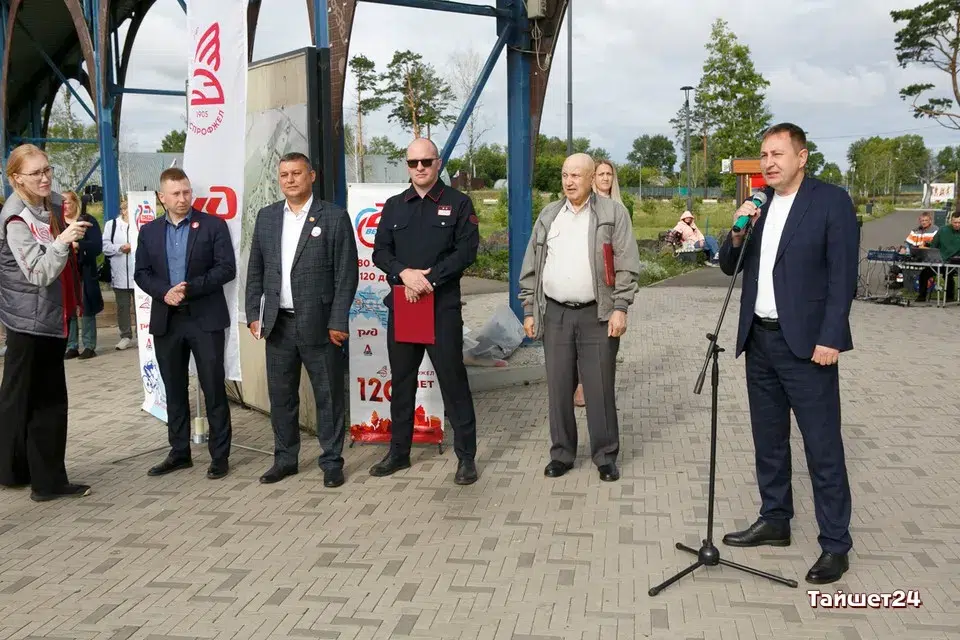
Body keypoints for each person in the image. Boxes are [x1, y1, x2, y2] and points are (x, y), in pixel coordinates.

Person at [718, 123, 858, 585]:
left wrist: (831, 337)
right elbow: (729, 267)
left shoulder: (830, 201)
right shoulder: (758, 206)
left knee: (822, 446)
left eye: (777, 154)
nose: (769, 162)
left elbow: (842, 276)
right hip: (758, 341)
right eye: (764, 155)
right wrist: (736, 232)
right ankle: (775, 519)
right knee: (769, 439)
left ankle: (835, 544)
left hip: (809, 346)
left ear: (802, 157)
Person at [518, 153, 641, 483]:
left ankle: (605, 456)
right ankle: (561, 454)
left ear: (591, 178)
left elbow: (627, 263)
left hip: (597, 315)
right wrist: (529, 309)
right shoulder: (549, 214)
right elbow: (531, 265)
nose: (569, 182)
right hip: (556, 313)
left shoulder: (613, 213)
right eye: (564, 175)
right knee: (559, 388)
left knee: (599, 388)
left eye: (575, 175)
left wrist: (620, 307)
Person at [370, 137, 481, 485]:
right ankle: (398, 453)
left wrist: (429, 280)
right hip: (404, 306)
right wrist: (404, 274)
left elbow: (466, 252)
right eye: (413, 162)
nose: (419, 168)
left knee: (453, 383)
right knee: (402, 383)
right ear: (407, 165)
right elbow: (380, 251)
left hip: (441, 309)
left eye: (426, 161)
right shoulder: (394, 206)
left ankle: (466, 458)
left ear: (438, 163)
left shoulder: (459, 203)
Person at [245, 152, 359, 486]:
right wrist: (253, 313)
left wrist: (338, 321)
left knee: (328, 396)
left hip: (321, 325)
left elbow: (346, 274)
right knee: (282, 398)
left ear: (312, 176)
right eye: (284, 174)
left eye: (296, 173)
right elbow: (256, 269)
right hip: (277, 324)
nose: (290, 180)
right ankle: (285, 459)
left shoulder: (334, 217)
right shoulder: (267, 217)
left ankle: (332, 461)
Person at [0, 143, 92, 501]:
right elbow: (39, 273)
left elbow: (61, 222)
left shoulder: (48, 203)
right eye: (36, 172)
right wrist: (62, 242)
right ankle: (46, 482)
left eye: (47, 169)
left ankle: (23, 473)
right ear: (16, 178)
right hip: (31, 320)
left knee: (30, 399)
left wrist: (68, 231)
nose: (45, 177)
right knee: (42, 402)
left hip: (50, 315)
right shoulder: (16, 218)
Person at [134, 167, 236, 480]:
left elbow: (226, 268)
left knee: (213, 388)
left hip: (205, 319)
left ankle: (219, 456)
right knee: (175, 389)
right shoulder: (149, 232)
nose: (182, 198)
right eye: (176, 193)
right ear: (162, 197)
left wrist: (189, 288)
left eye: (186, 192)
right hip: (168, 320)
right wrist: (165, 292)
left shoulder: (213, 225)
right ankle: (179, 452)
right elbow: (141, 273)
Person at [62, 191, 103, 359]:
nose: (65, 206)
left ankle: (89, 345)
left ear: (75, 203)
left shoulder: (87, 220)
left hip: (85, 271)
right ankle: (71, 345)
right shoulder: (57, 222)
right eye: (62, 203)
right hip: (65, 271)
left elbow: (97, 246)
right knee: (69, 308)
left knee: (86, 307)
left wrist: (79, 246)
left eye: (67, 202)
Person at [102, 197, 137, 350]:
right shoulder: (112, 225)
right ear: (123, 211)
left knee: (141, 307)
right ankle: (125, 336)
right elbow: (105, 247)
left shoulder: (140, 224)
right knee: (123, 307)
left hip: (138, 274)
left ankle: (143, 335)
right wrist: (121, 248)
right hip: (119, 274)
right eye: (128, 209)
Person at [895, 211, 939, 301]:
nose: (924, 222)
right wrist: (903, 248)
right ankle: (901, 286)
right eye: (922, 220)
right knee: (897, 265)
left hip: (929, 257)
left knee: (924, 274)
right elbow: (908, 243)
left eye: (926, 220)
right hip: (916, 255)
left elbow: (936, 245)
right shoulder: (915, 231)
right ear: (919, 221)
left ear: (930, 221)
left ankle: (921, 295)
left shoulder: (935, 230)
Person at [928, 211, 960, 301]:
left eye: (959, 222)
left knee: (948, 273)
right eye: (955, 222)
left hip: (955, 262)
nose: (957, 225)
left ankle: (949, 297)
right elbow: (933, 245)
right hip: (940, 260)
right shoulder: (943, 230)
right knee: (925, 272)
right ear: (951, 221)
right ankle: (922, 296)